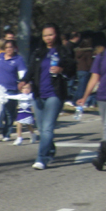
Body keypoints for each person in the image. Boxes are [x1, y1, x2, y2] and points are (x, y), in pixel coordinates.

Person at [20, 23, 75, 170]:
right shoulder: (38, 52)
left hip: (55, 94)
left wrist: (61, 69)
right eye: (45, 35)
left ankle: (41, 158)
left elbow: (72, 70)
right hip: (38, 93)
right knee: (41, 127)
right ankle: (50, 150)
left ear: (56, 34)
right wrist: (24, 81)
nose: (48, 38)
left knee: (47, 128)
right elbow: (31, 70)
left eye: (50, 35)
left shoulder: (63, 51)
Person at [0, 39, 26, 141]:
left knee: (9, 112)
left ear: (14, 48)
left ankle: (6, 134)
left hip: (10, 88)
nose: (8, 49)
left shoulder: (18, 59)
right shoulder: (0, 57)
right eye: (6, 47)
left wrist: (22, 83)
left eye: (10, 47)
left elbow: (22, 73)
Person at [76, 42, 106, 170]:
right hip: (103, 96)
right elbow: (94, 77)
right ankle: (102, 157)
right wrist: (85, 96)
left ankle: (101, 157)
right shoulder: (102, 55)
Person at [74, 38, 96, 108]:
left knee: (79, 86)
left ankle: (75, 100)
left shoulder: (77, 52)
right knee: (83, 87)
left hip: (78, 70)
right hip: (85, 70)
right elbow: (90, 63)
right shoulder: (88, 52)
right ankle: (80, 101)